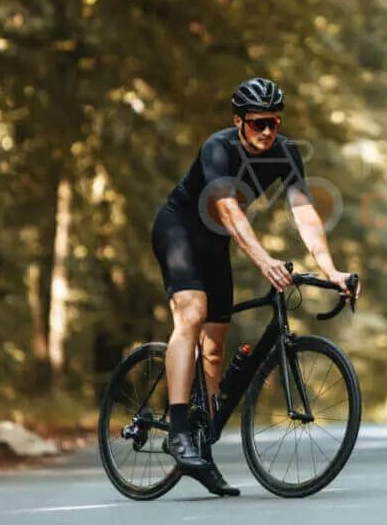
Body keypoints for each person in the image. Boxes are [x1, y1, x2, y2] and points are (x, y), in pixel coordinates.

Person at [150, 77, 360, 496]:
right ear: (239, 121)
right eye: (258, 122)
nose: (268, 131)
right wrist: (264, 261)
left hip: (216, 244)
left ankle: (202, 451)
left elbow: (304, 212)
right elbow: (227, 208)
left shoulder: (285, 153)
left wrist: (332, 270)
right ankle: (177, 431)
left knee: (214, 349)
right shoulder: (219, 148)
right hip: (180, 230)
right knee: (191, 313)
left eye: (274, 123)